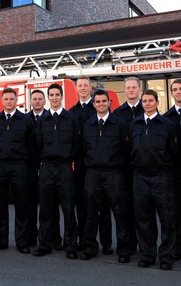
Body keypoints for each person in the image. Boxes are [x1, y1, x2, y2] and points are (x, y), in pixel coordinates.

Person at [79, 89, 132, 263]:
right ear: (93, 104)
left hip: (114, 174)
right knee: (91, 214)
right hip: (92, 174)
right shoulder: (87, 125)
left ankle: (124, 250)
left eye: (104, 101)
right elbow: (83, 149)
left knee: (120, 213)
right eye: (98, 102)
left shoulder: (120, 123)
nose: (101, 104)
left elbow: (126, 150)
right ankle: (89, 247)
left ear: (109, 103)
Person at [129, 89, 178, 270]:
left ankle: (166, 257)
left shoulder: (167, 124)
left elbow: (173, 149)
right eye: (145, 101)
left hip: (161, 177)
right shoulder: (135, 124)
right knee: (143, 219)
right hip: (140, 177)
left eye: (151, 100)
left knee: (167, 219)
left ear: (157, 102)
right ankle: (147, 255)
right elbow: (130, 149)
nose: (147, 104)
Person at [32, 83, 80, 259]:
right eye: (51, 95)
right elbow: (38, 145)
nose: (54, 98)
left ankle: (70, 246)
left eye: (56, 95)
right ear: (48, 97)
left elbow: (77, 145)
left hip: (65, 168)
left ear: (61, 97)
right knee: (45, 209)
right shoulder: (42, 120)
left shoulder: (72, 119)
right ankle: (45, 244)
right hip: (47, 168)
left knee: (68, 208)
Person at [0, 87, 37, 254]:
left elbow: (32, 145)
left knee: (22, 205)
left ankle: (22, 242)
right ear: (2, 101)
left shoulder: (25, 120)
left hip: (19, 166)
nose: (9, 101)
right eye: (6, 99)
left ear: (17, 101)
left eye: (12, 99)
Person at [69, 76, 113, 255]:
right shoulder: (72, 112)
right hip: (81, 166)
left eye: (86, 85)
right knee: (82, 205)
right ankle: (84, 239)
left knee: (103, 206)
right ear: (76, 89)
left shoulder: (99, 106)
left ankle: (107, 243)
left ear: (90, 88)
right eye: (79, 86)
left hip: (100, 165)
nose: (83, 88)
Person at [162, 79, 181, 260]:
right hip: (176, 170)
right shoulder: (167, 118)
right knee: (177, 211)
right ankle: (180, 248)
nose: (178, 92)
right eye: (175, 89)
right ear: (172, 94)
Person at [113, 76, 144, 252]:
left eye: (134, 87)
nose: (131, 90)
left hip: (143, 167)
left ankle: (146, 247)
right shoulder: (118, 113)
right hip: (124, 168)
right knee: (125, 209)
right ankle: (129, 245)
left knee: (143, 210)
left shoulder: (147, 107)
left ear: (139, 89)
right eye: (128, 88)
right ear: (124, 90)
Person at [26, 89, 48, 247]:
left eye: (40, 99)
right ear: (30, 101)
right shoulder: (25, 119)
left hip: (48, 166)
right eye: (35, 99)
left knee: (49, 205)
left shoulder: (50, 117)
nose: (38, 101)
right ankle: (31, 237)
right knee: (30, 203)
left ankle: (51, 238)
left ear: (44, 101)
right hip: (29, 167)